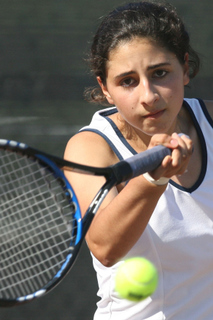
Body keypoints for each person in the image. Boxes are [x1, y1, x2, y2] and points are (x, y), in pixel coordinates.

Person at [64, 1, 213, 319]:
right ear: (105, 88)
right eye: (127, 81)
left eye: (160, 73)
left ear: (185, 69)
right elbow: (105, 248)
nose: (148, 95)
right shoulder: (89, 148)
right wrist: (152, 179)